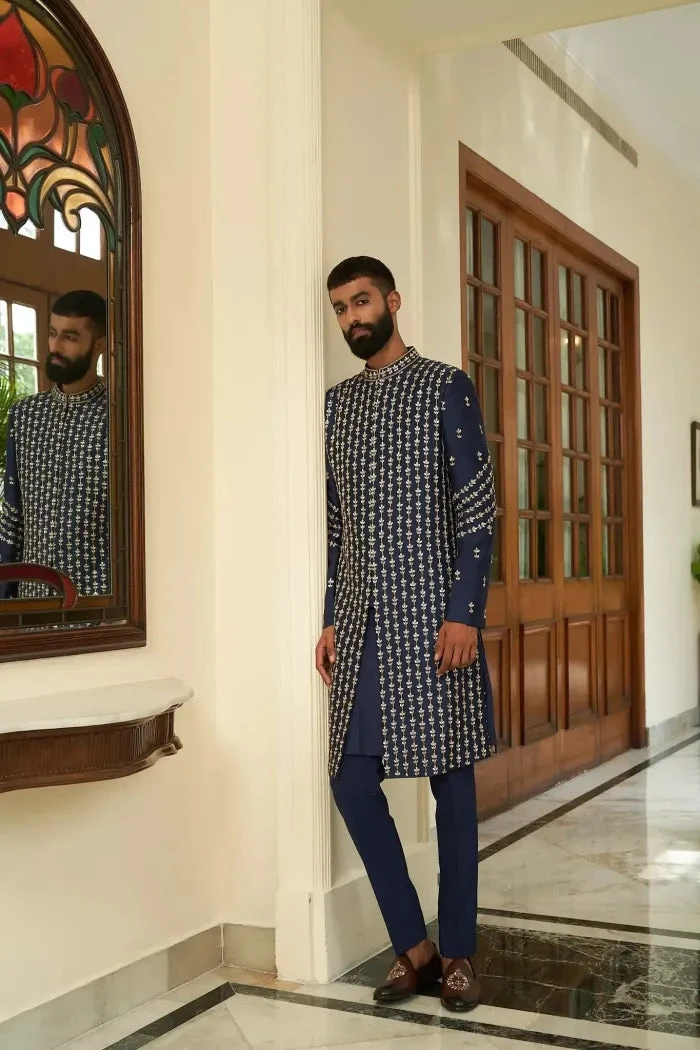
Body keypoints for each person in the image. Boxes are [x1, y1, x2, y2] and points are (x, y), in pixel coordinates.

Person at [316, 257, 496, 1012]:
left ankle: (457, 951)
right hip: (363, 619)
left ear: (392, 301)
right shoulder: (337, 406)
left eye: (361, 302)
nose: (352, 318)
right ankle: (412, 947)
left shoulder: (445, 386)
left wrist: (465, 613)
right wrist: (331, 614)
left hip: (435, 618)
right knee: (351, 780)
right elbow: (337, 526)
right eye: (340, 309)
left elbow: (478, 512)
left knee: (451, 784)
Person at [0, 290, 109, 600]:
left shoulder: (119, 419)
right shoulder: (25, 415)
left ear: (98, 346)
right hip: (31, 603)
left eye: (70, 337)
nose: (56, 347)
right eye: (52, 333)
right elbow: (12, 517)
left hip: (96, 606)